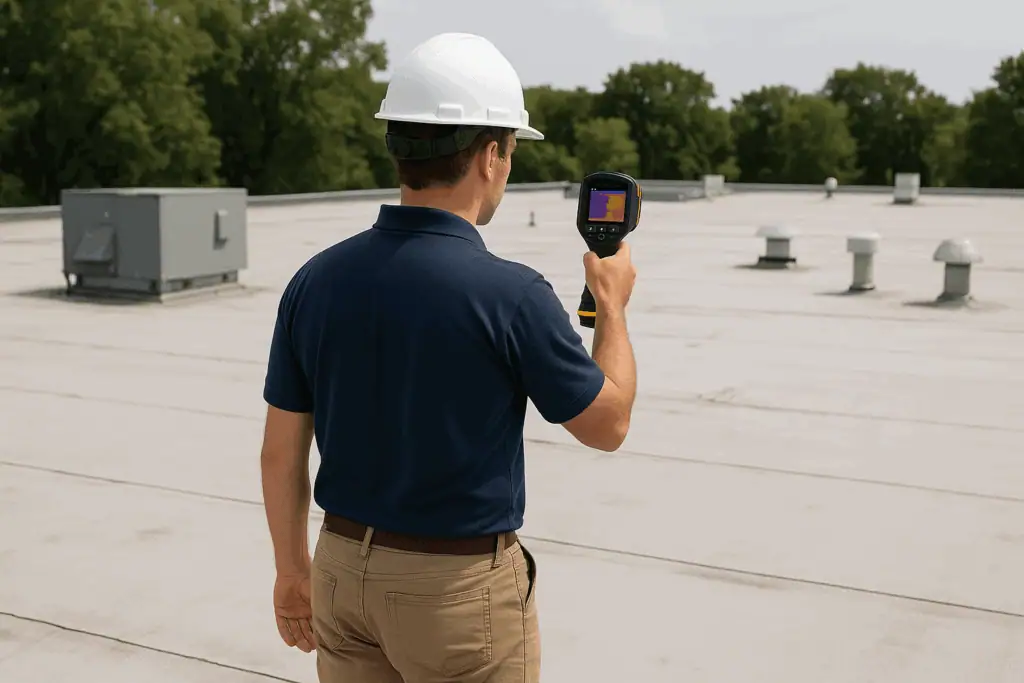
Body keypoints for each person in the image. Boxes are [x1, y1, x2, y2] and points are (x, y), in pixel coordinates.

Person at [259, 32, 637, 683]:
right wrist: (613, 305)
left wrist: (292, 571)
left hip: (339, 571)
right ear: (490, 155)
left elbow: (280, 452)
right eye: (511, 151)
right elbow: (608, 424)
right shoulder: (512, 294)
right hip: (455, 593)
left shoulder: (314, 280)